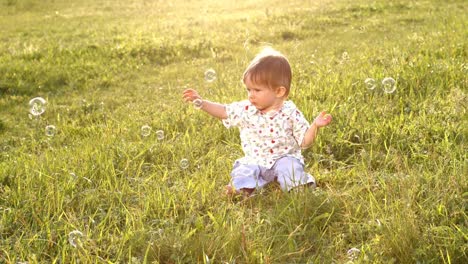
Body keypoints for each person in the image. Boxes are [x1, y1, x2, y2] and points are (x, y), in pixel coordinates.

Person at [182, 47, 332, 196]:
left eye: (257, 90)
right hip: (255, 159)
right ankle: (242, 189)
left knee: (290, 168)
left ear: (279, 91)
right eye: (248, 90)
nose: (251, 96)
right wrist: (201, 103)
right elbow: (223, 111)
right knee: (244, 170)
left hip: (283, 158)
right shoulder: (246, 109)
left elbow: (305, 142)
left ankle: (298, 188)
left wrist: (315, 126)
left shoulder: (290, 112)